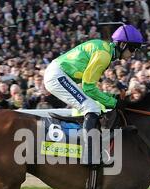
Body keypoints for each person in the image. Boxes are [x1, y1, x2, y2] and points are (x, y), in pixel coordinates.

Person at [43, 24, 144, 164]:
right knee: (91, 108)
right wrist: (114, 102)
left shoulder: (105, 50)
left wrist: (112, 99)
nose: (132, 54)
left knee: (92, 106)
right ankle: (90, 157)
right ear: (122, 44)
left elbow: (89, 87)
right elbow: (88, 88)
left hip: (58, 74)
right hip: (57, 75)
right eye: (132, 48)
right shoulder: (104, 55)